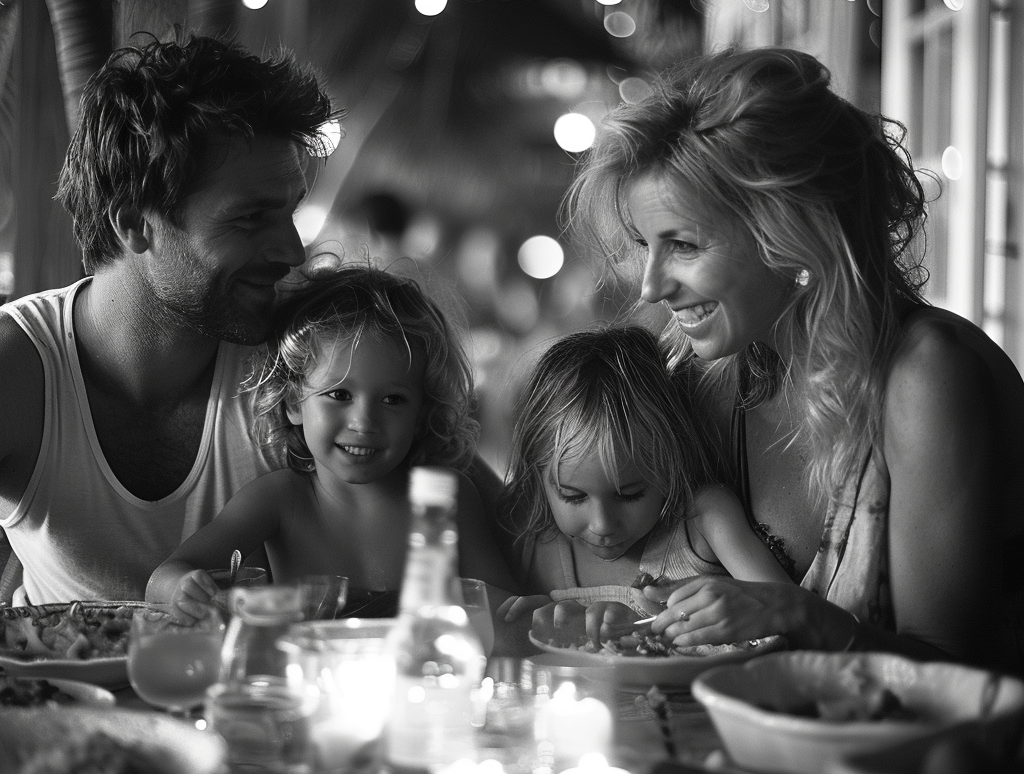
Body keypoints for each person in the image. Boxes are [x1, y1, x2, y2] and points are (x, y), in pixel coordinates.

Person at [561, 46, 1024, 674]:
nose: (649, 287)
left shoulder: (928, 378)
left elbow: (959, 676)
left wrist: (797, 616)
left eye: (684, 245)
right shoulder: (708, 374)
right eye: (645, 244)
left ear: (790, 228)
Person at [0, 34, 337, 603]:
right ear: (135, 224)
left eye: (290, 211)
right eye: (252, 218)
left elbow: (473, 506)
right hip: (57, 691)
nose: (293, 251)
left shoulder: (310, 354)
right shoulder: (18, 366)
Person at [147, 263, 518, 620]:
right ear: (293, 402)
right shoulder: (280, 500)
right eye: (339, 395)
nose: (364, 422)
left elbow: (500, 610)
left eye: (393, 400)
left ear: (422, 414)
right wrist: (183, 587)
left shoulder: (444, 498)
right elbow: (165, 578)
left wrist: (530, 613)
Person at [495, 325, 791, 644]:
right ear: (538, 474)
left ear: (671, 462)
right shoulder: (539, 545)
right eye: (573, 497)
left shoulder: (702, 522)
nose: (602, 524)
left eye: (630, 495)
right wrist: (534, 625)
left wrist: (640, 628)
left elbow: (788, 620)